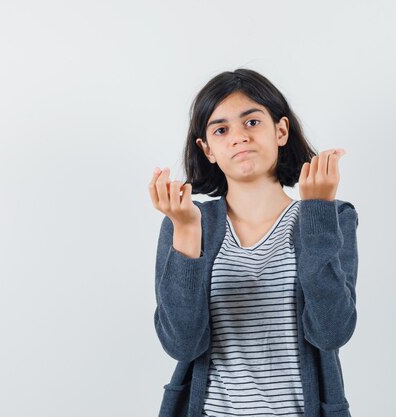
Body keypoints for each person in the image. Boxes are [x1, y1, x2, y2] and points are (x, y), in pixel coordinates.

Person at [147, 68, 360, 417]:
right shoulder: (188, 222)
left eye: (251, 122)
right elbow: (182, 344)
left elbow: (330, 332)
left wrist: (317, 210)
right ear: (207, 149)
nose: (238, 137)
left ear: (281, 130)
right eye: (221, 129)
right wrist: (186, 227)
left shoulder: (331, 218)